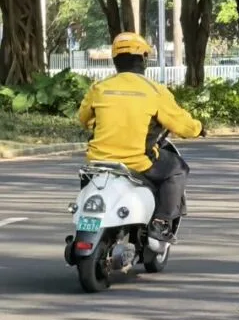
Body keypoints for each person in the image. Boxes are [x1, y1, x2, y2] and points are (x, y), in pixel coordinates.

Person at [77, 33, 204, 241]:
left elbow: (83, 118)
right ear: (143, 59)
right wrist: (198, 128)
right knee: (178, 169)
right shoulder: (155, 90)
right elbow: (182, 125)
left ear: (115, 60)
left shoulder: (99, 88)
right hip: (137, 161)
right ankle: (160, 223)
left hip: (99, 161)